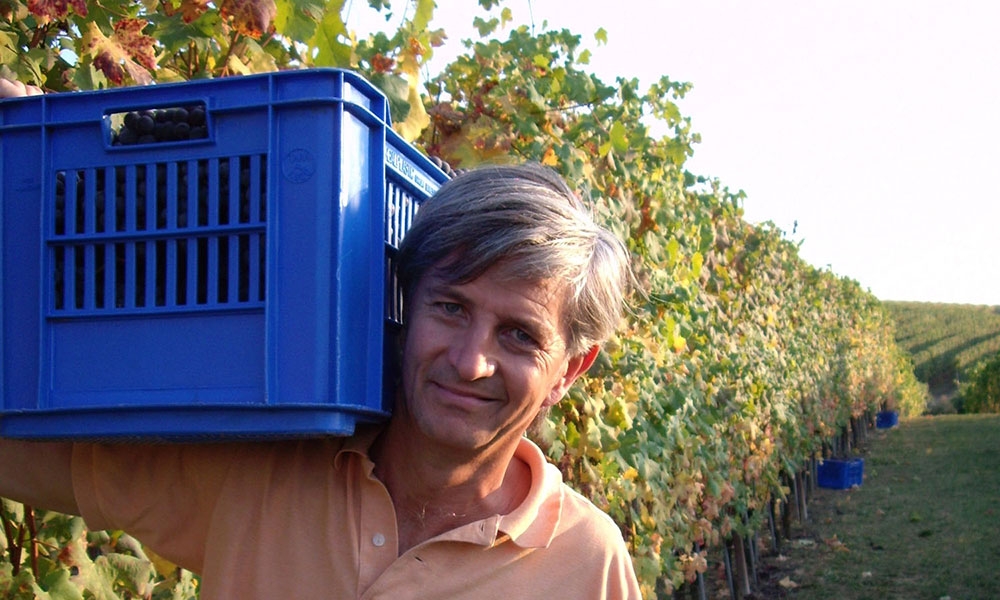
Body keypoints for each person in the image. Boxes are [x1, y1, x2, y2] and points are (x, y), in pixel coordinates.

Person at [0, 77, 641, 598]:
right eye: (450, 308)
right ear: (404, 305)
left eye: (519, 336)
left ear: (569, 370)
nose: (471, 360)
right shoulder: (259, 475)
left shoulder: (586, 564)